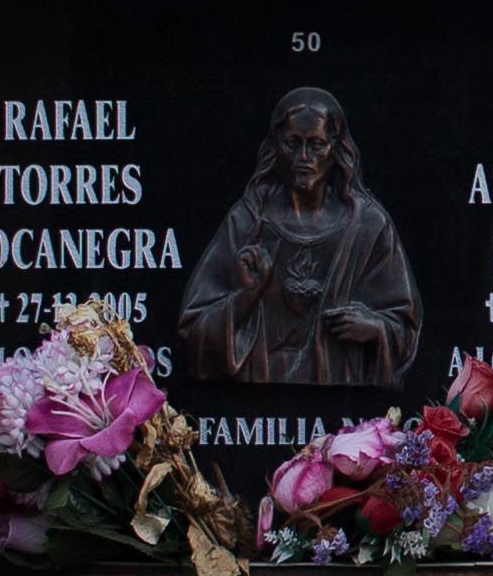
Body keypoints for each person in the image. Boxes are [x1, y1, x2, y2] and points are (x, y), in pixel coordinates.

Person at [175, 87, 422, 389]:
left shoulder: (368, 226)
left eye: (316, 144)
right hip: (259, 394)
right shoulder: (249, 221)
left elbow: (405, 328)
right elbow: (194, 329)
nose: (303, 157)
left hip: (342, 391)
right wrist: (245, 296)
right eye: (293, 143)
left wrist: (375, 328)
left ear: (336, 149)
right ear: (276, 146)